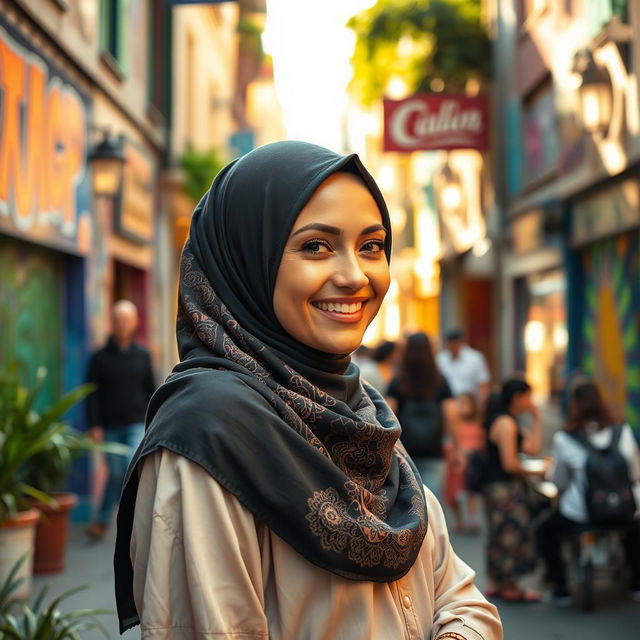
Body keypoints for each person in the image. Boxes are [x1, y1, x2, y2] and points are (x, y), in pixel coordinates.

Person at [113, 141, 501, 640]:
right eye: (315, 246)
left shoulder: (360, 415)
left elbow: (460, 596)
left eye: (371, 245)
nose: (355, 276)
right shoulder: (212, 433)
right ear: (246, 263)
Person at [537, 379, 640, 604]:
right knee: (634, 531)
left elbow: (559, 481)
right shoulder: (622, 431)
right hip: (623, 510)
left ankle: (561, 588)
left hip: (581, 514)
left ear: (573, 404)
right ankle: (635, 584)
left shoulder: (565, 438)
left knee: (544, 531)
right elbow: (634, 473)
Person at [85, 300, 156, 539]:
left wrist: (153, 421)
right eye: (117, 320)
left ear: (135, 322)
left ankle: (133, 519)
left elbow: (151, 389)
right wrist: (94, 424)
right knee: (115, 473)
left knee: (129, 466)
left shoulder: (143, 355)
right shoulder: (99, 358)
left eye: (127, 319)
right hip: (110, 426)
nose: (122, 324)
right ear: (111, 323)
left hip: (136, 423)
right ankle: (103, 519)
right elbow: (91, 393)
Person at [482, 378, 546, 602]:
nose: (530, 401)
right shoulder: (506, 423)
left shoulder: (510, 421)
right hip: (503, 488)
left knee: (501, 534)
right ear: (517, 397)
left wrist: (536, 419)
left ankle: (498, 582)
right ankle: (509, 586)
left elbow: (532, 448)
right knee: (510, 534)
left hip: (498, 487)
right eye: (528, 396)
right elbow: (510, 463)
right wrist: (538, 472)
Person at [385, 332, 457, 502]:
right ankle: (430, 529)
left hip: (404, 449)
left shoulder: (398, 381)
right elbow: (451, 415)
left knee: (407, 500)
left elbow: (388, 415)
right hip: (434, 450)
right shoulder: (440, 381)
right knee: (431, 499)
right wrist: (457, 447)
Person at [443, 392, 485, 533]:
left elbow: (481, 442)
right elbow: (448, 440)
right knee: (453, 492)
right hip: (454, 462)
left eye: (466, 403)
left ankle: (472, 518)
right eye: (460, 404)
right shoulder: (454, 424)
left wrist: (471, 450)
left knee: (471, 491)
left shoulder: (478, 423)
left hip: (472, 462)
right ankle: (459, 520)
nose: (463, 407)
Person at [436, 329, 490, 406]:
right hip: (448, 404)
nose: (453, 348)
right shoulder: (441, 359)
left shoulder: (475, 358)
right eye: (450, 345)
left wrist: (481, 406)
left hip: (470, 404)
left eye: (455, 344)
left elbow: (483, 384)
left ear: (461, 343)